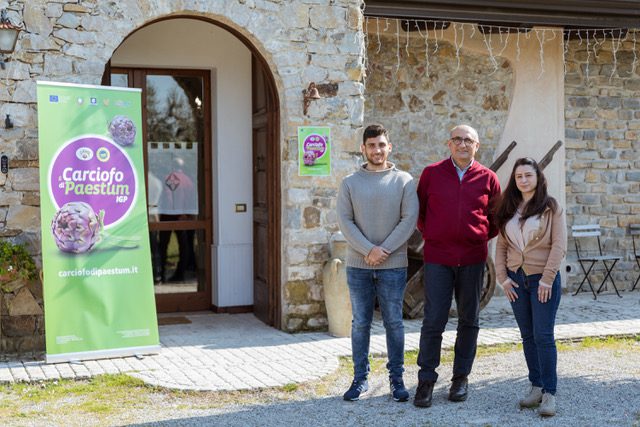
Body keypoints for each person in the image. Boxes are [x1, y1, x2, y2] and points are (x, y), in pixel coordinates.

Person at [414, 124, 501, 408]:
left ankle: (460, 378)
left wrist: (473, 238)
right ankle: (426, 380)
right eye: (457, 140)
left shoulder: (488, 178)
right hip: (438, 258)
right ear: (449, 144)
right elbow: (421, 213)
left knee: (469, 320)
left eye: (469, 140)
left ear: (477, 146)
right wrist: (436, 236)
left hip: (473, 260)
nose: (463, 144)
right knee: (433, 321)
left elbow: (495, 219)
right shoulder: (432, 174)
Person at [337, 124, 419, 402]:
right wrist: (368, 250)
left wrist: (383, 250)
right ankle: (360, 379)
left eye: (381, 144)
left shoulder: (404, 181)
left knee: (394, 323)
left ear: (389, 147)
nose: (377, 150)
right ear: (363, 148)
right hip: (358, 266)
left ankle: (397, 380)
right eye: (371, 145)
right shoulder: (350, 182)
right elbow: (345, 222)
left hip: (393, 265)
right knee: (360, 323)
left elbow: (409, 220)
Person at [494, 157, 567, 417]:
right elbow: (501, 246)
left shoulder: (550, 207)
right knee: (527, 336)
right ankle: (535, 387)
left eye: (528, 175)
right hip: (516, 280)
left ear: (538, 177)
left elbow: (559, 245)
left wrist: (548, 278)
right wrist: (502, 278)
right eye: (519, 176)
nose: (523, 180)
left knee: (543, 336)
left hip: (542, 280)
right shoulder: (509, 207)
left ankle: (549, 394)